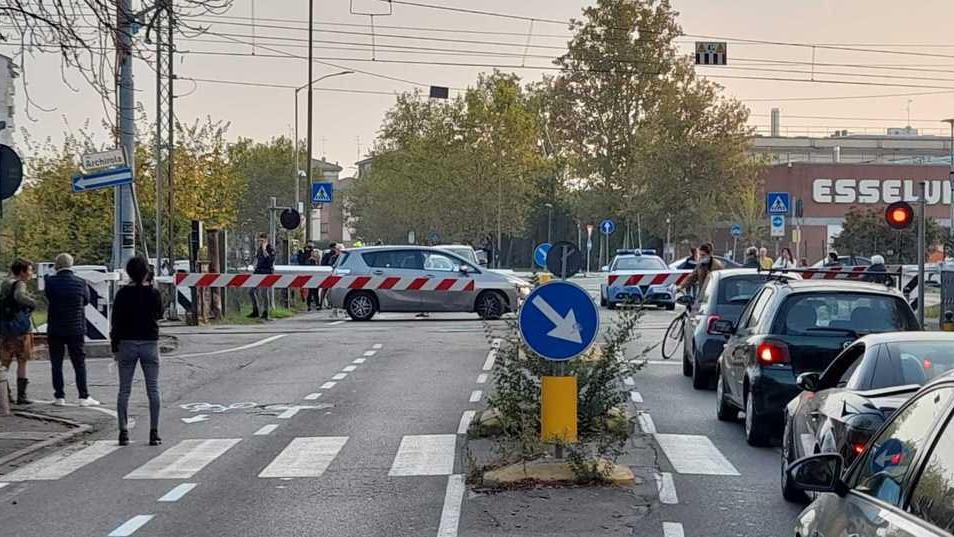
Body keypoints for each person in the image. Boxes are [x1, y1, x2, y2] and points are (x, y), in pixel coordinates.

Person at [112, 256, 164, 447]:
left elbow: (116, 322)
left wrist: (114, 347)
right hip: (149, 342)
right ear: (146, 272)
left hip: (126, 343)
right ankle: (154, 432)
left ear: (128, 272)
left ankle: (123, 432)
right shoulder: (153, 293)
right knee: (153, 389)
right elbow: (159, 314)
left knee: (124, 390)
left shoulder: (122, 294)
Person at [44, 253, 99, 407]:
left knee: (56, 363)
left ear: (57, 265)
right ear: (71, 265)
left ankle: (59, 396)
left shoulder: (50, 282)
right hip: (76, 328)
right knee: (79, 363)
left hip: (55, 328)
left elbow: (48, 298)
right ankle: (83, 396)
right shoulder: (80, 283)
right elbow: (86, 301)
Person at [1, 258, 37, 405]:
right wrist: (32, 303)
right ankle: (22, 396)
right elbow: (19, 297)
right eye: (29, 270)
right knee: (22, 361)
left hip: (4, 328)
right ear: (22, 271)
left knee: (4, 364)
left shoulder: (5, 283)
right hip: (20, 330)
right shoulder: (19, 284)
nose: (31, 273)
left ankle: (4, 394)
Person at [249, 233, 275, 320]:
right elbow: (256, 258)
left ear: (266, 240)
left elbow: (270, 260)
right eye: (259, 241)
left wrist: (264, 250)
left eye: (262, 241)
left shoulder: (270, 249)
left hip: (266, 271)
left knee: (264, 293)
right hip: (258, 271)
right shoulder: (259, 249)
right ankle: (256, 311)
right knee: (251, 291)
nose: (260, 242)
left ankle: (266, 312)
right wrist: (254, 264)